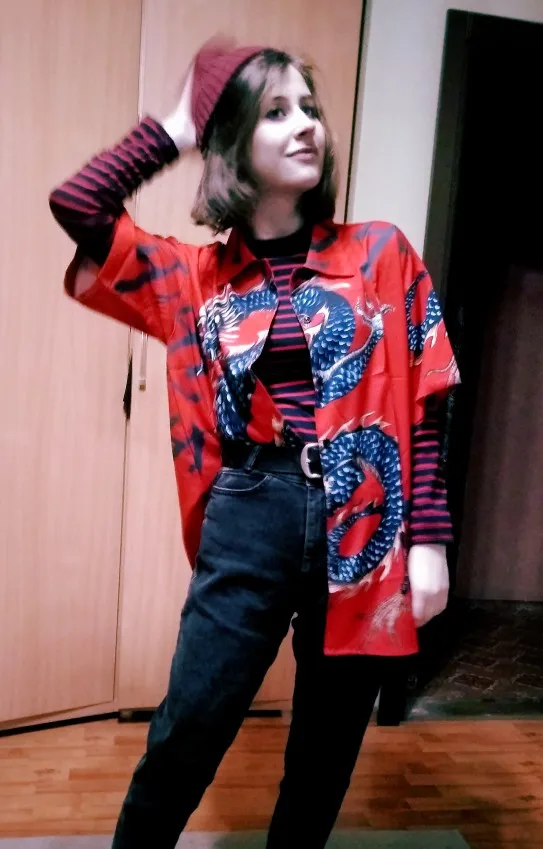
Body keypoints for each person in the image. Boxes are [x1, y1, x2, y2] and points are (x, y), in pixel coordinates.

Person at [49, 39, 460, 849]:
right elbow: (79, 205)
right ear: (234, 143)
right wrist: (177, 128)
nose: (305, 124)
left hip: (364, 515)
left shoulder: (382, 252)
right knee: (190, 724)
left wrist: (429, 542)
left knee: (325, 747)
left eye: (308, 107)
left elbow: (426, 403)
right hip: (249, 508)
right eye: (275, 112)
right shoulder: (193, 277)